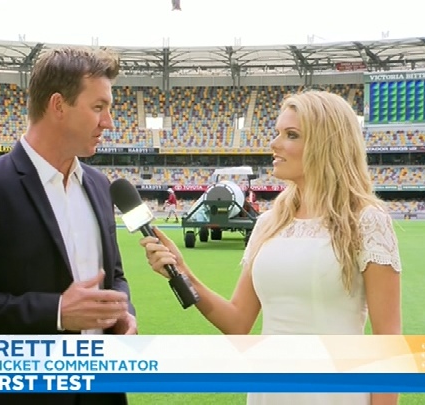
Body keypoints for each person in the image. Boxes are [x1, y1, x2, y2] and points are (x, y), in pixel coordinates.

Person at [140, 91, 402, 405]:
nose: (274, 144)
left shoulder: (367, 221)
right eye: (277, 132)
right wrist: (182, 271)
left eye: (291, 135)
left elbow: (388, 340)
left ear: (326, 144)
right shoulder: (268, 223)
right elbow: (237, 321)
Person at [0, 46, 137, 405]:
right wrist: (56, 312)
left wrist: (123, 313)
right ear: (58, 105)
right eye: (98, 107)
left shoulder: (100, 185)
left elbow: (114, 276)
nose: (109, 122)